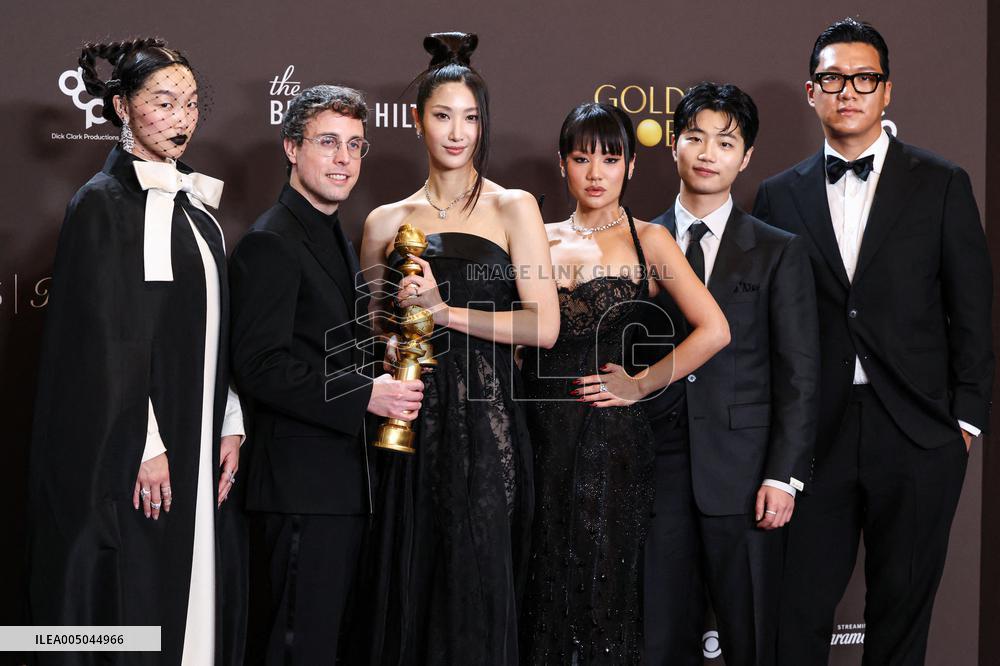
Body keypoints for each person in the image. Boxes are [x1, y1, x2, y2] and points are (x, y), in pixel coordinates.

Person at [752, 18, 993, 665]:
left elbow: (973, 311)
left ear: (887, 92)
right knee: (794, 615)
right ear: (811, 92)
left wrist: (964, 422)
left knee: (900, 620)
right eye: (833, 78)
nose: (848, 90)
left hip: (918, 434)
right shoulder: (777, 196)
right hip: (816, 436)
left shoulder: (942, 184)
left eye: (864, 78)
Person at [28, 38, 247, 665]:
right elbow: (103, 341)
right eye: (164, 102)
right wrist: (146, 443)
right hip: (138, 450)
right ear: (123, 108)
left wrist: (229, 421)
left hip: (201, 438)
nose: (182, 118)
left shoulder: (198, 210)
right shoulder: (99, 206)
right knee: (138, 598)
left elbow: (215, 328)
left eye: (192, 104)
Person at [349, 32, 560, 666]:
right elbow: (372, 328)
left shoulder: (513, 208)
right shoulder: (385, 221)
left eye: (470, 118)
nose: (457, 131)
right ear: (417, 122)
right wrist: (394, 341)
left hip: (490, 422)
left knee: (480, 580)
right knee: (408, 575)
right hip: (408, 424)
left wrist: (445, 313)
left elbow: (542, 326)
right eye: (443, 115)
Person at [518, 102, 730, 665]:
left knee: (604, 588)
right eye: (581, 157)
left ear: (632, 167)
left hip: (612, 445)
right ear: (561, 163)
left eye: (610, 159)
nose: (595, 172)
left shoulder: (651, 242)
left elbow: (714, 330)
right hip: (538, 437)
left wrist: (640, 384)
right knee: (539, 581)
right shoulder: (536, 237)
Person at [228, 85, 425, 664]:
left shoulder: (331, 232)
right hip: (300, 489)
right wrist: (367, 393)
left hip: (339, 484)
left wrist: (378, 358)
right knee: (297, 648)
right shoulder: (271, 239)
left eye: (356, 146)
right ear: (291, 147)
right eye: (328, 143)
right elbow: (259, 364)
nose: (344, 159)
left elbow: (316, 346)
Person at [639, 83, 819, 666]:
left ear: (745, 158)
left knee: (750, 638)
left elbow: (799, 373)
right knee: (655, 640)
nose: (707, 153)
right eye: (694, 137)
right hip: (653, 474)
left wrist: (783, 476)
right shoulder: (637, 242)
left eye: (725, 142)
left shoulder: (777, 250)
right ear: (674, 145)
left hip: (744, 480)